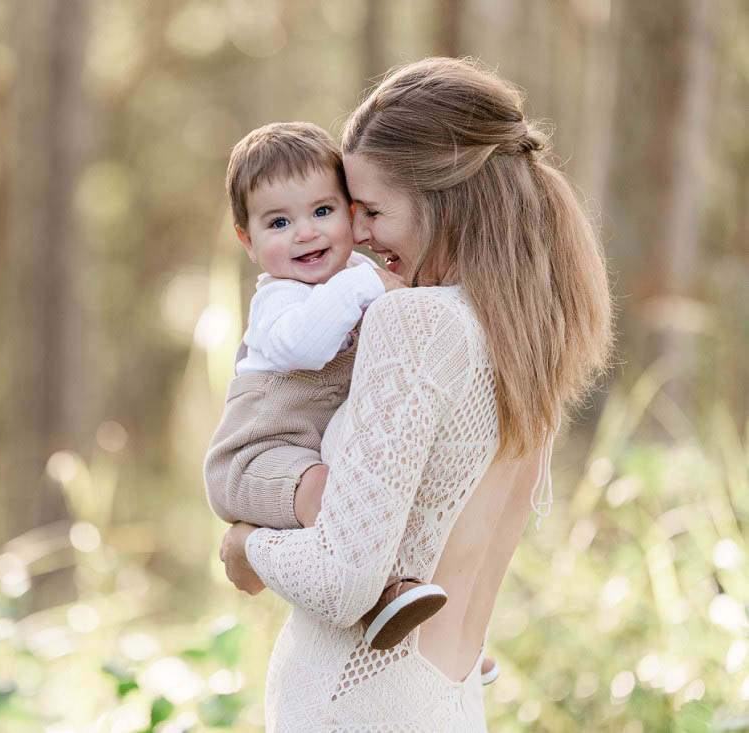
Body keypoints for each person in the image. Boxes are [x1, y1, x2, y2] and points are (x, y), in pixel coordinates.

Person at [218, 57, 613, 730]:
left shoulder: (416, 323)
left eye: (371, 210)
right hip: (451, 703)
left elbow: (344, 583)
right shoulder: (529, 336)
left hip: (358, 706)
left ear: (442, 196)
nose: (359, 237)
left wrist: (246, 546)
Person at [203, 121, 453, 654]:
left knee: (392, 497)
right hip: (255, 459)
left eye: (322, 211)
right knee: (338, 497)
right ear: (247, 242)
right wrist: (365, 283)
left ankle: (442, 629)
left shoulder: (356, 280)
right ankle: (384, 596)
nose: (306, 233)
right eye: (278, 222)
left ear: (351, 213)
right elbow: (306, 347)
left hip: (306, 456)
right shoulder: (280, 301)